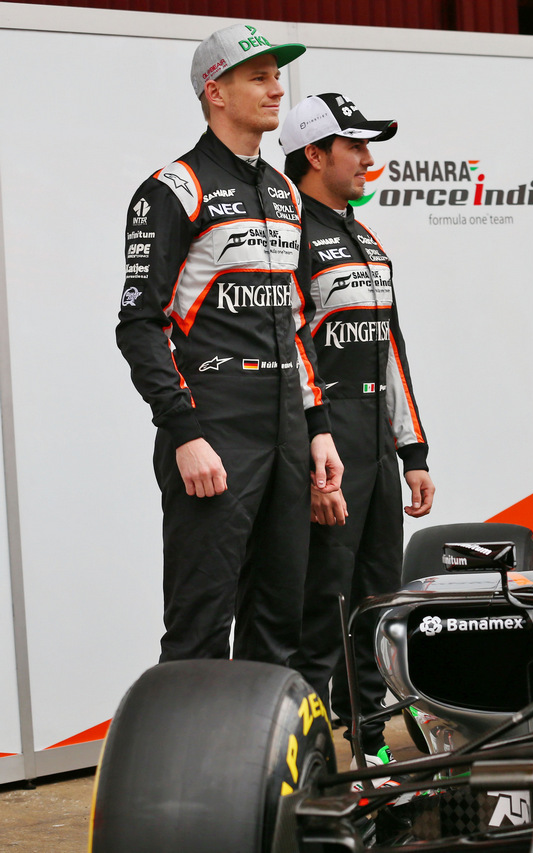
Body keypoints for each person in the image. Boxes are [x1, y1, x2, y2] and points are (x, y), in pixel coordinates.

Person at [116, 24, 343, 665]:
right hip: (214, 425)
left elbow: (297, 321)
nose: (278, 90)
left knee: (280, 623)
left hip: (287, 433)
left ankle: (266, 768)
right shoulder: (173, 189)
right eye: (260, 77)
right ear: (215, 91)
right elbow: (139, 325)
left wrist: (318, 427)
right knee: (200, 626)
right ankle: (186, 768)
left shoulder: (284, 192)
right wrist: (185, 433)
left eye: (278, 75)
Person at [280, 93, 434, 772]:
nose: (369, 160)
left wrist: (414, 452)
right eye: (355, 147)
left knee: (375, 604)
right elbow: (293, 355)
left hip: (376, 447)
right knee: (322, 612)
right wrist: (317, 450)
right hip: (327, 448)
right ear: (314, 154)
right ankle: (306, 764)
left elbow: (390, 352)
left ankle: (371, 744)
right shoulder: (288, 237)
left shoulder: (365, 237)